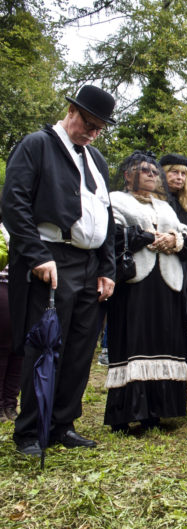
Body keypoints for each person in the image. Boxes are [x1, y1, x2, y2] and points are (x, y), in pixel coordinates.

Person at [1, 85, 117, 456]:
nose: (91, 132)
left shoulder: (96, 159)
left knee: (81, 347)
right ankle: (30, 431)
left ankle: (62, 424)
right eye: (88, 123)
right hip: (51, 257)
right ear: (71, 110)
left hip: (89, 263)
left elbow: (106, 217)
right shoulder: (36, 144)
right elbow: (14, 202)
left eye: (99, 128)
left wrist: (107, 268)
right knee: (46, 344)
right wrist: (36, 255)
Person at [104, 152, 187, 432]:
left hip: (167, 281)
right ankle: (125, 412)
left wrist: (175, 239)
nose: (153, 175)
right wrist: (151, 237)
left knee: (164, 339)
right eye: (145, 171)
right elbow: (113, 234)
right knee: (133, 340)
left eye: (155, 172)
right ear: (129, 175)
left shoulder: (165, 207)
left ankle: (156, 409)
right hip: (134, 282)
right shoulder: (115, 200)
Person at [159, 153, 187, 380]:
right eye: (174, 172)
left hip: (186, 268)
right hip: (161, 269)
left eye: (183, 173)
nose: (179, 177)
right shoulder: (156, 201)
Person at [0, 221, 22, 422]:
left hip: (23, 289)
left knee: (19, 348)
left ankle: (10, 403)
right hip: (3, 284)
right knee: (4, 347)